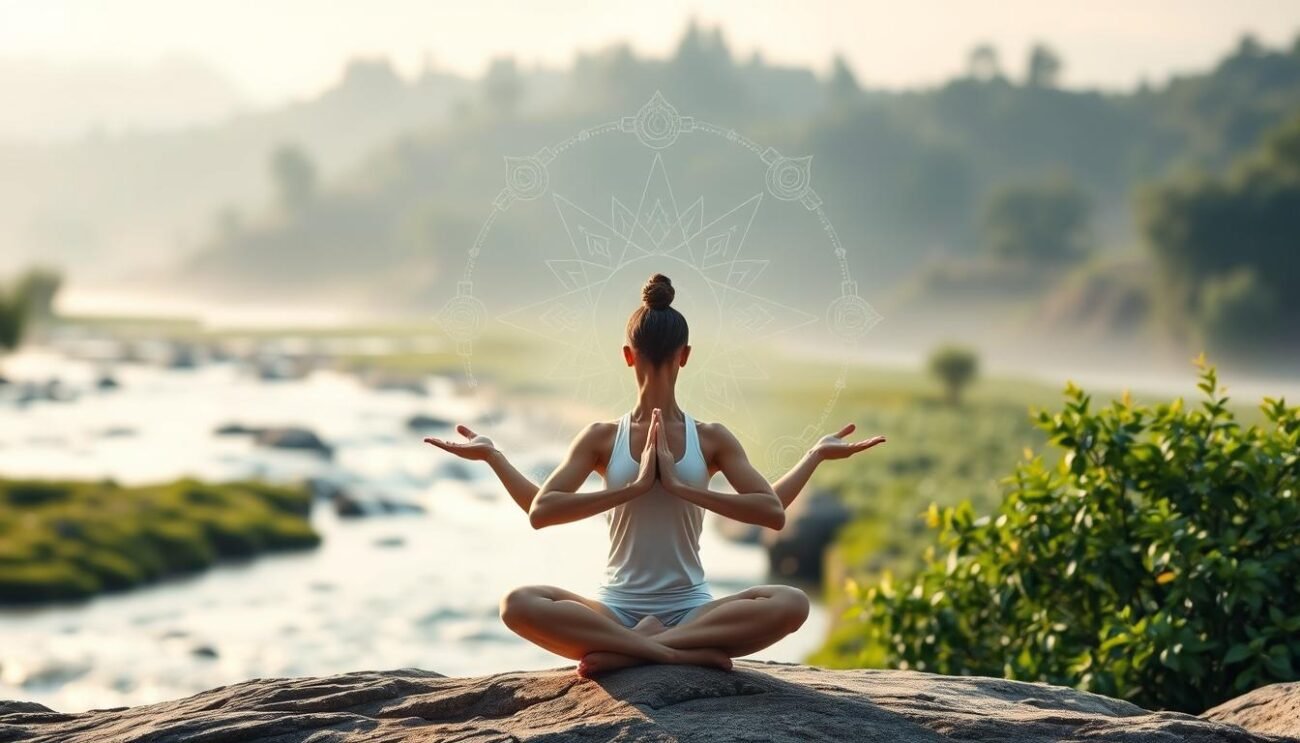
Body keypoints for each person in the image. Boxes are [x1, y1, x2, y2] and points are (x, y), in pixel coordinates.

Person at [426, 273, 885, 676]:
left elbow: (770, 512)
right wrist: (634, 486)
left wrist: (685, 487)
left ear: (628, 355)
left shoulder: (705, 438)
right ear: (685, 355)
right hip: (616, 609)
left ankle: (634, 653)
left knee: (792, 602)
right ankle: (675, 654)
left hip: (690, 611)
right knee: (519, 603)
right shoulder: (607, 437)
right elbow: (543, 510)